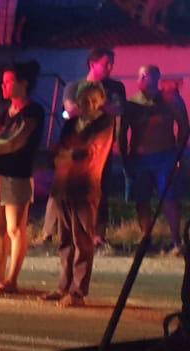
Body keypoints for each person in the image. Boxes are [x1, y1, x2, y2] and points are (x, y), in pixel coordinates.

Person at [39, 47, 128, 245]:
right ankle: (50, 230)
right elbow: (68, 110)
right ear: (92, 64)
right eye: (105, 64)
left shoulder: (115, 88)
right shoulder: (74, 86)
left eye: (111, 64)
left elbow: (118, 109)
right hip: (74, 146)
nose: (110, 68)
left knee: (99, 188)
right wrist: (95, 106)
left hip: (101, 147)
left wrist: (100, 106)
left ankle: (97, 234)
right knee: (61, 186)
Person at [45, 81, 115, 308]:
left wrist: (65, 154)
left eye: (94, 101)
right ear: (78, 102)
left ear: (102, 102)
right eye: (85, 101)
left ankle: (78, 291)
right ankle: (63, 286)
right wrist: (64, 154)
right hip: (63, 186)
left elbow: (87, 153)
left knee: (82, 240)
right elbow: (58, 150)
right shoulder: (71, 123)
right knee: (65, 240)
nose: (90, 105)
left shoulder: (105, 124)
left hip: (85, 187)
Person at [0, 61, 45, 296]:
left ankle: (12, 279)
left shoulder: (33, 111)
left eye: (9, 82)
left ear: (23, 84)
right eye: (3, 82)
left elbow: (16, 142)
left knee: (15, 229)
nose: (4, 86)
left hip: (17, 175)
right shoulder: (4, 112)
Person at [121, 64, 188, 254]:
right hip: (139, 158)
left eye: (146, 76)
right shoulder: (132, 104)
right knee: (142, 200)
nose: (141, 80)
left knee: (169, 199)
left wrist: (179, 153)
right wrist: (125, 158)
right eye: (140, 77)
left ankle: (176, 241)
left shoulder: (169, 100)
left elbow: (184, 125)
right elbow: (122, 131)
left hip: (165, 156)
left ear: (156, 78)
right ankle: (146, 239)